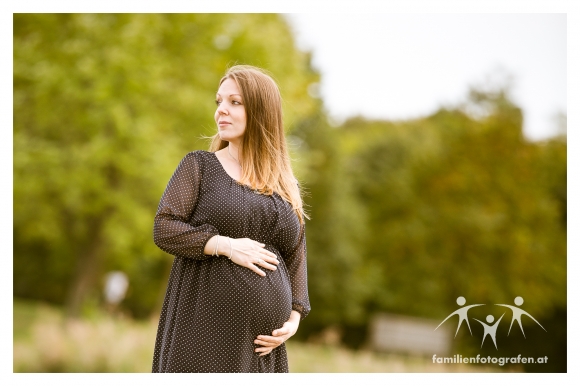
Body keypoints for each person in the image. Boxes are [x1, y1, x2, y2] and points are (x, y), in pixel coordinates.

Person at [151, 65, 310, 373]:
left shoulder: (284, 186)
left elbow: (296, 253)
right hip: (204, 334)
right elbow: (164, 227)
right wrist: (224, 245)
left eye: (234, 102)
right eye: (219, 102)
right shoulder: (200, 166)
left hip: (264, 349)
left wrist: (293, 317)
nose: (221, 111)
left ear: (262, 112)